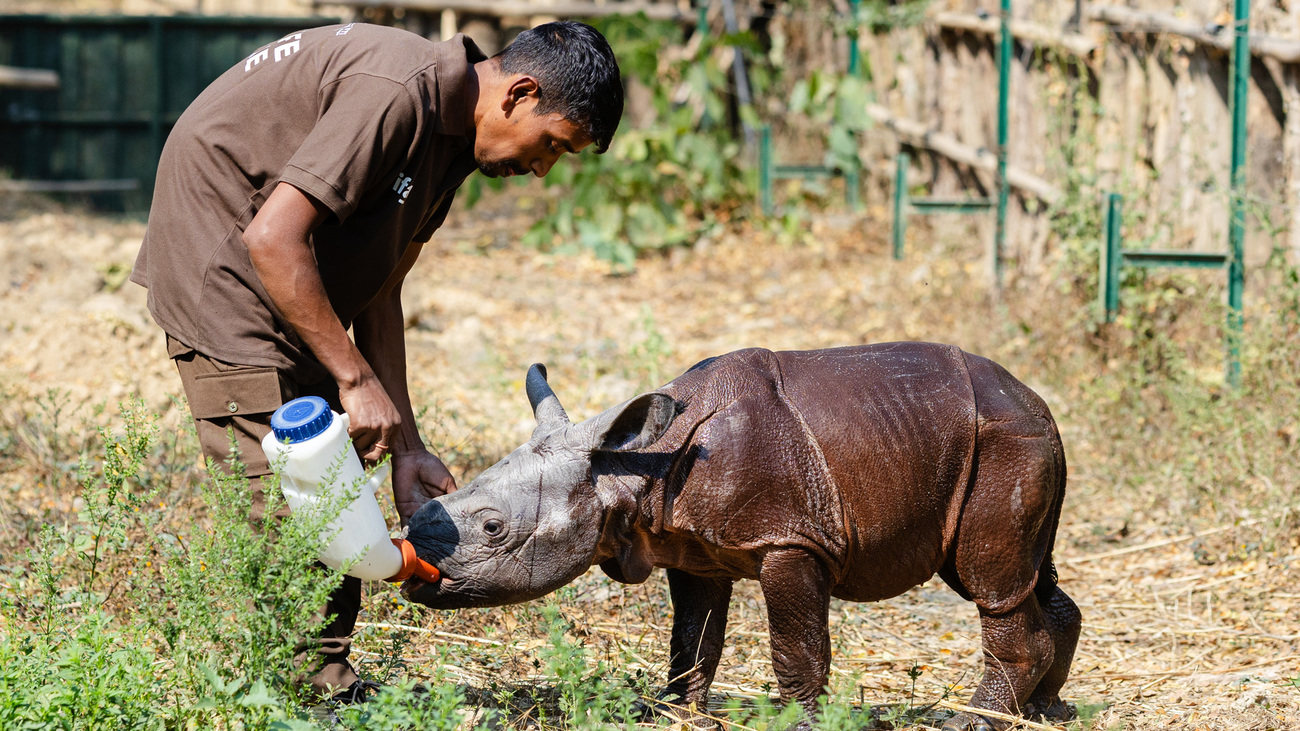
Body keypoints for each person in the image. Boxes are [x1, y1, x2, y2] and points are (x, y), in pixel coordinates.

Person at [131, 20, 622, 701]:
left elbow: (382, 286)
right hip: (225, 262)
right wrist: (354, 377)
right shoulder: (398, 91)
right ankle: (303, 692)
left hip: (295, 274)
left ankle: (324, 682)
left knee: (332, 470)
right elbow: (272, 240)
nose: (541, 170)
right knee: (281, 490)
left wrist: (407, 448)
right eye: (552, 145)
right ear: (520, 93)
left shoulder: (455, 142)